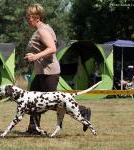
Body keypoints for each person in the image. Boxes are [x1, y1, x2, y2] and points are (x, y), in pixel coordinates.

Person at [24, 3, 91, 134]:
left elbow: (52, 49)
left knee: (54, 103)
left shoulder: (42, 31)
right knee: (32, 100)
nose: (28, 20)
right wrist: (34, 56)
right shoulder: (44, 28)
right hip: (41, 72)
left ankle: (83, 111)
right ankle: (33, 127)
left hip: (48, 72)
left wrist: (35, 56)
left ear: (37, 17)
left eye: (29, 17)